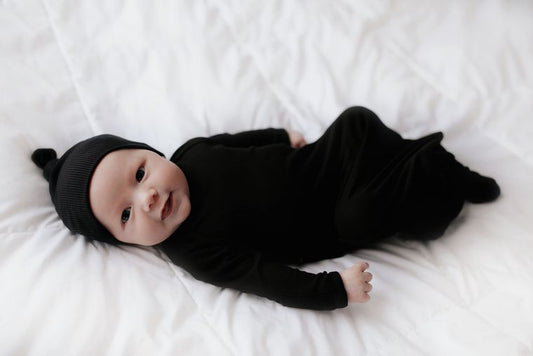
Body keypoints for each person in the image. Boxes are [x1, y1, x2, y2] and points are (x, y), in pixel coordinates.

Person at [31, 106, 500, 310]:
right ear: (124, 241)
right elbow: (265, 279)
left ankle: (414, 161)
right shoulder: (196, 251)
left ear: (152, 152)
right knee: (371, 212)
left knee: (354, 122)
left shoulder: (190, 153)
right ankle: (441, 172)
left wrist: (279, 137)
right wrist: (333, 289)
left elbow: (234, 143)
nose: (148, 197)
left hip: (319, 164)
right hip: (333, 218)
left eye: (139, 175)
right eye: (127, 214)